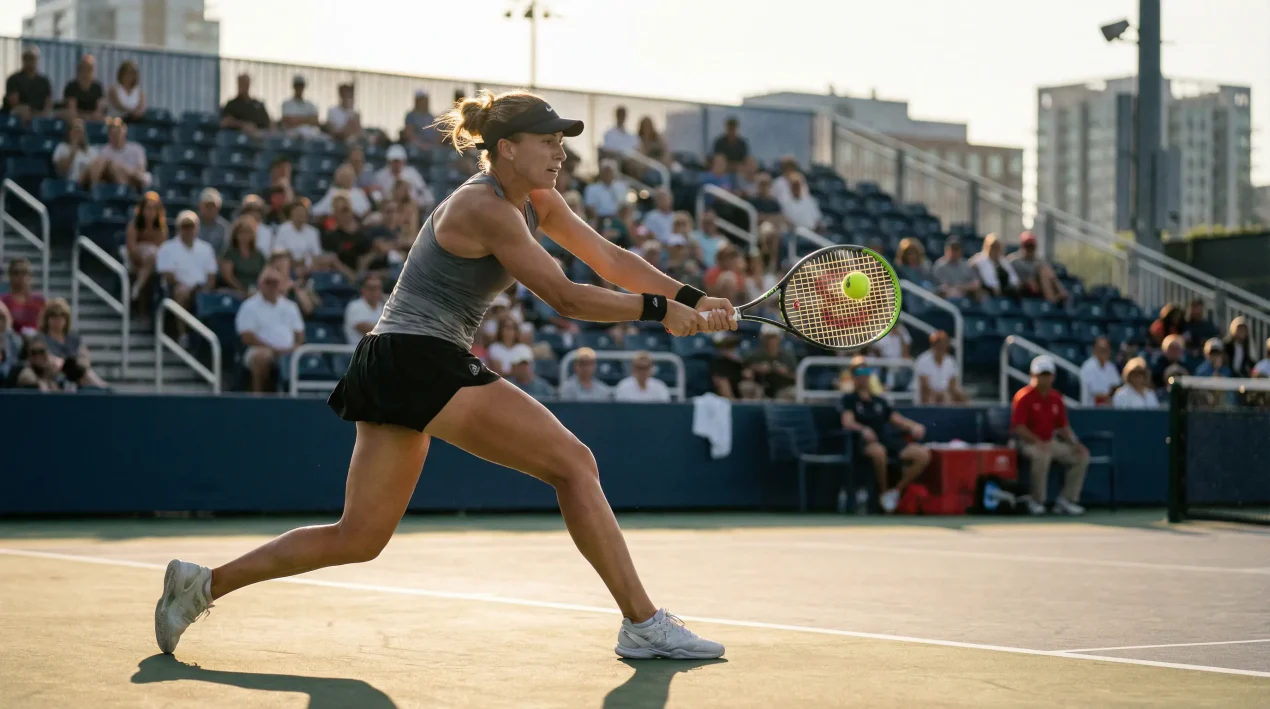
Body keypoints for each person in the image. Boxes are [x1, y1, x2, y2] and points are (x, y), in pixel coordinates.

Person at [154, 89, 733, 660]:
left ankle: (202, 585)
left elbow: (610, 260)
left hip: (393, 361)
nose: (561, 153)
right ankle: (643, 624)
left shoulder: (537, 198)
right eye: (549, 142)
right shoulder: (485, 207)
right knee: (574, 465)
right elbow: (564, 296)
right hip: (419, 358)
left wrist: (694, 297)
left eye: (562, 143)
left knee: (358, 538)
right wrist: (661, 313)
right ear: (507, 148)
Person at [838, 357, 931, 513]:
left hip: (887, 440)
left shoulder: (879, 400)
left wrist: (914, 426)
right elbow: (847, 422)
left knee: (922, 455)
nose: (864, 375)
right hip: (862, 444)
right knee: (879, 452)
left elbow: (896, 419)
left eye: (866, 371)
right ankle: (883, 491)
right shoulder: (849, 400)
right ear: (853, 375)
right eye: (859, 371)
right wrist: (863, 429)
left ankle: (893, 492)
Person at [1010, 355, 1089, 516]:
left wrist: (1075, 443)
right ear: (1033, 376)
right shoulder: (1023, 397)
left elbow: (1063, 427)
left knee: (1081, 456)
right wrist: (1038, 442)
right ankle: (1037, 501)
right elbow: (1019, 428)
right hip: (1027, 443)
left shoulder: (1056, 398)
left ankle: (1066, 501)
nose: (1044, 379)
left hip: (1050, 442)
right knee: (1042, 455)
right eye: (1040, 375)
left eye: (1047, 375)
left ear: (1052, 377)